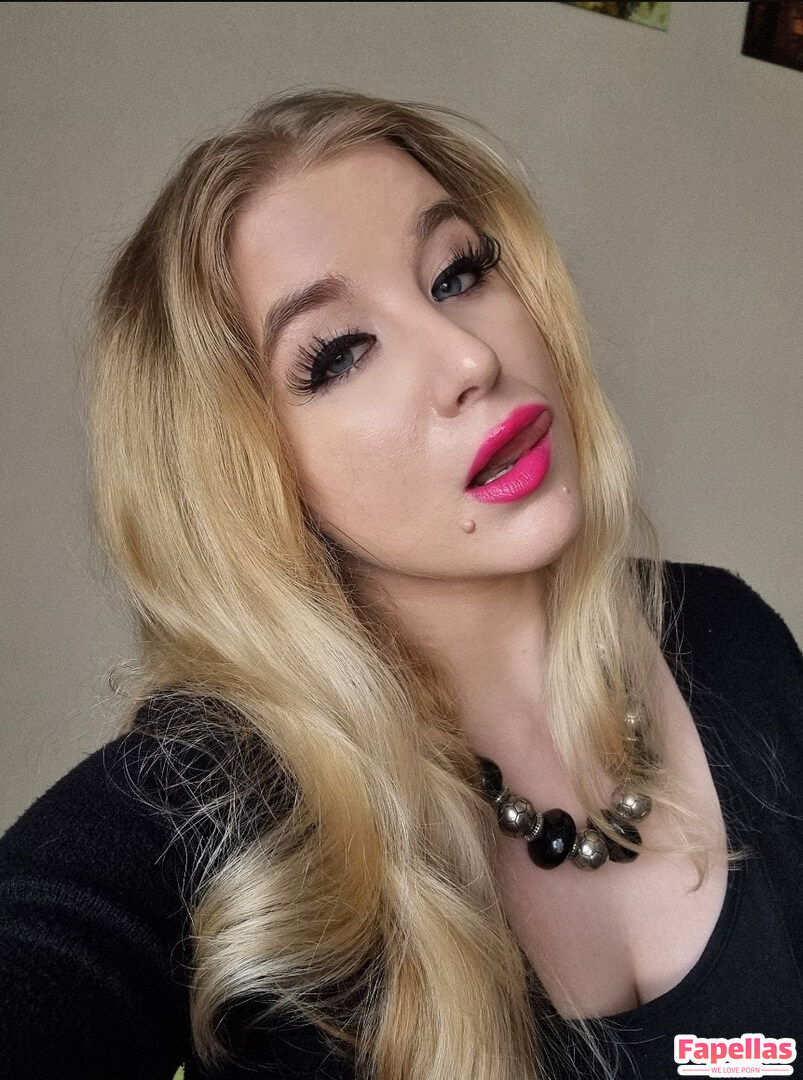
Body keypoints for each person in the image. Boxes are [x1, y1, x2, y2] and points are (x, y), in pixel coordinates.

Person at [1, 87, 801, 1080]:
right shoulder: (211, 796)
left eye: (458, 274)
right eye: (338, 354)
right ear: (243, 469)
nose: (469, 356)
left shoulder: (727, 634)